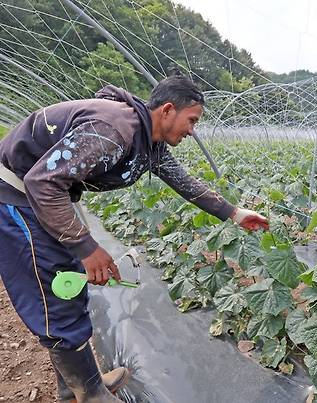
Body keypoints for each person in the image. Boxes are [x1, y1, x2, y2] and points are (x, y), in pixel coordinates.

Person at [0, 74, 268, 402]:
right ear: (168, 110)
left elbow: (185, 183)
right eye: (192, 120)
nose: (192, 130)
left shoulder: (148, 142)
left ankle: (74, 386)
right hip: (14, 199)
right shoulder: (114, 130)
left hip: (43, 203)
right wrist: (87, 247)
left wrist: (235, 214)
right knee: (52, 300)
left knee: (70, 290)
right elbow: (42, 182)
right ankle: (91, 393)